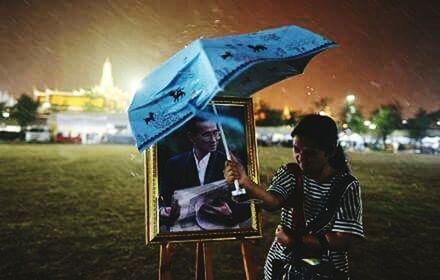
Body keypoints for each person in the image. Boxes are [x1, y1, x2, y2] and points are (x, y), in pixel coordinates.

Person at [224, 114, 364, 280]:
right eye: (296, 150)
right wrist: (245, 182)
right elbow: (272, 201)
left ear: (330, 151)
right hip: (283, 267)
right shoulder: (291, 173)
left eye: (310, 153)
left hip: (326, 271)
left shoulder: (347, 186)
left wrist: (295, 241)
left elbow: (343, 240)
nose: (301, 158)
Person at [159, 116, 250, 230]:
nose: (213, 139)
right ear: (191, 137)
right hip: (184, 227)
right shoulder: (174, 164)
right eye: (207, 135)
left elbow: (247, 203)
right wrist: (162, 210)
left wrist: (231, 212)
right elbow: (162, 197)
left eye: (216, 133)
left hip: (220, 227)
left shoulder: (230, 164)